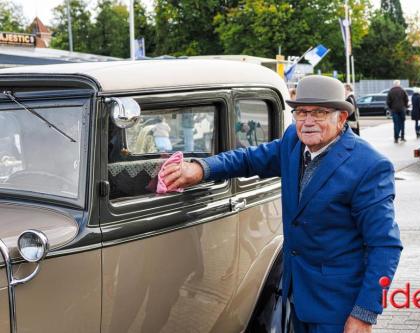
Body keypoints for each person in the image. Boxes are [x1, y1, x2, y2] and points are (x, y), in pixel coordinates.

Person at [160, 75, 403, 333]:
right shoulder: (293, 142)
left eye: (319, 113)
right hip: (296, 296)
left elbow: (385, 245)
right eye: (301, 112)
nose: (308, 122)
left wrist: (365, 313)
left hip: (338, 308)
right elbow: (248, 159)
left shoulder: (369, 165)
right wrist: (200, 168)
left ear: (341, 118)